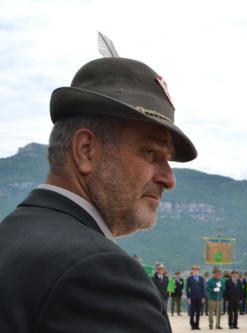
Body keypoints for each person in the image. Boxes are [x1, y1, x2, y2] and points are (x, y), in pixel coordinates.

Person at [0, 57, 197, 333]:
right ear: (86, 150)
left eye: (168, 160)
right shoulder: (97, 272)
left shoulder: (11, 236)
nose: (169, 179)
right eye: (151, 153)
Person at [187, 265, 205, 330]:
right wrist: (188, 297)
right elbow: (187, 289)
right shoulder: (189, 279)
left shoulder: (201, 278)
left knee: (198, 312)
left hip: (199, 297)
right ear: (192, 271)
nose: (196, 271)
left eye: (197, 270)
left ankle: (197, 325)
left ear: (199, 271)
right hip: (192, 297)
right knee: (192, 312)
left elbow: (203, 288)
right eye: (194, 270)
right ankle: (192, 325)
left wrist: (203, 297)